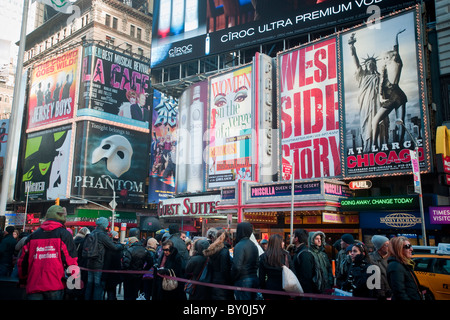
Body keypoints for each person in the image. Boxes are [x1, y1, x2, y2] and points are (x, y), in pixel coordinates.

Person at [17, 205, 78, 300]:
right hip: (55, 285)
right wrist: (74, 284)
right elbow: (71, 261)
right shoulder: (64, 234)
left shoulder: (32, 236)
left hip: (34, 284)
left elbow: (22, 262)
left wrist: (23, 280)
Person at [348, 32, 380, 152]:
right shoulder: (363, 76)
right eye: (368, 63)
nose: (370, 65)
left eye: (373, 63)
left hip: (377, 103)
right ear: (365, 66)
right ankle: (368, 147)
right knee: (366, 125)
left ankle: (377, 145)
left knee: (379, 123)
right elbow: (356, 62)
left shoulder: (380, 76)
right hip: (366, 104)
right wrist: (352, 46)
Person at [84, 217, 123, 300]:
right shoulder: (102, 235)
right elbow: (114, 247)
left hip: (90, 262)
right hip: (99, 263)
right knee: (98, 286)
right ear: (104, 225)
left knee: (90, 284)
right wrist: (121, 246)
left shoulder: (92, 233)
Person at [258, 234, 294, 300]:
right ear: (279, 243)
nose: (283, 243)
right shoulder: (286, 256)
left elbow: (261, 278)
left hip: (270, 289)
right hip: (285, 288)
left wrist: (264, 292)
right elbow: (293, 272)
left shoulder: (263, 257)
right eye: (282, 241)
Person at [231, 222, 259, 300]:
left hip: (242, 280)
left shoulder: (239, 245)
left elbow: (237, 266)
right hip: (253, 278)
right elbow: (257, 263)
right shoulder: (254, 245)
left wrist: (233, 278)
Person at [203, 228, 234, 300]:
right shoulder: (225, 251)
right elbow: (225, 270)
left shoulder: (213, 249)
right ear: (227, 239)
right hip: (223, 285)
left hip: (213, 282)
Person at [292, 229, 316, 294]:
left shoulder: (304, 253)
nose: (291, 237)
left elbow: (306, 276)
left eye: (292, 236)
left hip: (303, 291)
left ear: (296, 239)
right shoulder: (299, 251)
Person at [369, 235, 391, 300]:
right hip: (380, 296)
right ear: (380, 247)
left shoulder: (390, 258)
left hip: (391, 294)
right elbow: (375, 280)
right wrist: (382, 295)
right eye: (386, 245)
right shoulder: (371, 259)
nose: (389, 247)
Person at [103, 231, 123, 300]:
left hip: (106, 270)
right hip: (115, 271)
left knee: (105, 289)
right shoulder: (119, 248)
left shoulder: (106, 247)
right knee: (112, 289)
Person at [72, 227, 90, 299]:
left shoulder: (73, 240)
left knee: (73, 285)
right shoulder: (84, 242)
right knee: (82, 285)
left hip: (72, 265)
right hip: (82, 265)